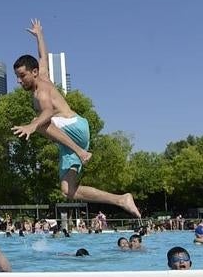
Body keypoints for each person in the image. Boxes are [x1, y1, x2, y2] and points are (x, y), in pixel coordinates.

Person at [11, 19, 141, 219]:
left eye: (22, 76)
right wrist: (39, 35)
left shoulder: (41, 92)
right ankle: (121, 200)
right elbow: (42, 56)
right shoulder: (42, 74)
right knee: (68, 190)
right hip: (68, 139)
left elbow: (46, 113)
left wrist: (32, 125)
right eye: (17, 77)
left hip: (75, 128)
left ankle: (81, 153)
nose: (19, 81)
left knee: (41, 122)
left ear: (33, 72)